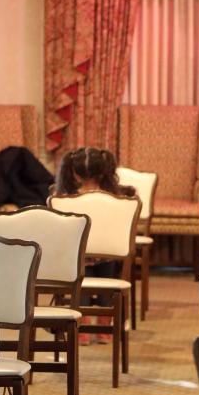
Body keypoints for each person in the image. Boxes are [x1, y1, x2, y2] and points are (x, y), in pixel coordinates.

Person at [53, 147, 135, 344]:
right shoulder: (65, 198)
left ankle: (93, 324)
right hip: (93, 257)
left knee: (92, 281)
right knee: (93, 279)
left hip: (92, 256)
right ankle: (93, 324)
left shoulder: (65, 198)